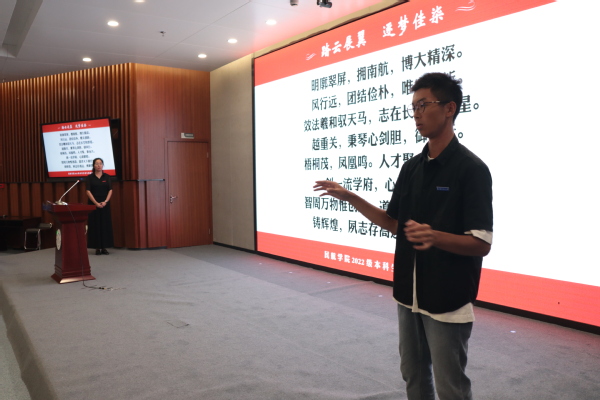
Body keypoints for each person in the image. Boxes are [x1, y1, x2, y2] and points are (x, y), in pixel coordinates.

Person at [314, 72, 493, 400]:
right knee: (413, 375)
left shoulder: (471, 169)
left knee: (450, 385)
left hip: (447, 297)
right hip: (408, 294)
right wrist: (350, 197)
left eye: (424, 105)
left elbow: (481, 243)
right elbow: (394, 223)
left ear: (450, 108)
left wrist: (435, 237)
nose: (416, 114)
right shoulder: (411, 168)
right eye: (413, 107)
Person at [85, 157, 114, 255]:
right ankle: (97, 247)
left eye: (100, 163)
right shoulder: (90, 177)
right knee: (95, 224)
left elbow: (110, 190)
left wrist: (105, 201)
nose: (99, 165)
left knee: (105, 224)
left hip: (105, 204)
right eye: (97, 163)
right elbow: (88, 191)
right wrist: (96, 203)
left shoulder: (107, 177)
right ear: (93, 165)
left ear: (103, 165)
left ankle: (104, 247)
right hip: (93, 204)